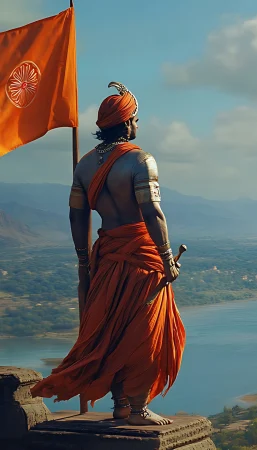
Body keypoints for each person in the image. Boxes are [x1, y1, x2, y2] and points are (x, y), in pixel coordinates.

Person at [30, 82, 185, 426]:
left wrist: (84, 260)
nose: (138, 125)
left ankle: (119, 405)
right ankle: (138, 409)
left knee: (111, 330)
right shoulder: (140, 159)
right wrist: (165, 256)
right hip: (144, 256)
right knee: (145, 331)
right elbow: (152, 212)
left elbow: (76, 215)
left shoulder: (84, 165)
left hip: (107, 257)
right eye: (136, 119)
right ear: (127, 122)